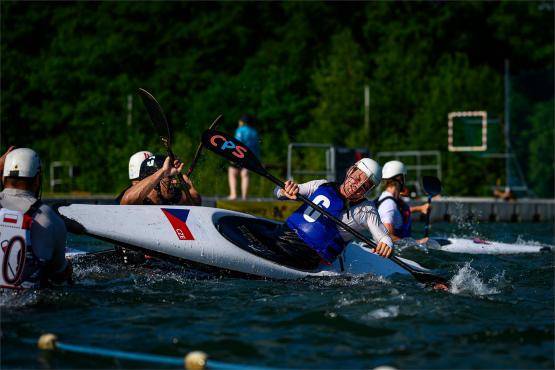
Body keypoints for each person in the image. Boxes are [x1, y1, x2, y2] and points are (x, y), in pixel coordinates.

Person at [273, 158, 393, 270]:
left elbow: (384, 238)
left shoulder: (366, 210)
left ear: (369, 190)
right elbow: (277, 192)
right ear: (351, 171)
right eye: (357, 179)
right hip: (282, 235)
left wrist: (386, 245)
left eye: (364, 186)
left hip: (307, 256)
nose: (356, 187)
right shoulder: (321, 185)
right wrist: (284, 190)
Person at [0, 147, 72, 288]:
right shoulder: (51, 220)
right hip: (29, 306)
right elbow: (58, 276)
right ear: (37, 179)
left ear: (3, 177)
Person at [375, 160, 430, 244]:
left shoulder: (388, 198)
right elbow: (387, 236)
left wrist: (420, 208)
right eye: (404, 177)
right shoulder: (389, 204)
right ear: (400, 179)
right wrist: (418, 242)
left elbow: (398, 214)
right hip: (397, 255)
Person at [120, 154, 201, 206]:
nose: (175, 182)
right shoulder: (140, 201)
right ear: (156, 182)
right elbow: (126, 201)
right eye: (170, 178)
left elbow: (196, 202)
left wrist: (189, 187)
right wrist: (163, 171)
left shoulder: (169, 195)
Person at [228, 114, 260, 200]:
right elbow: (257, 147)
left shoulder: (240, 130)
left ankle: (233, 194)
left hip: (239, 154)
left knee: (232, 172)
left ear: (242, 121)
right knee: (245, 174)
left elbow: (237, 143)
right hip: (251, 156)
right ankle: (244, 196)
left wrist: (232, 156)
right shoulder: (254, 132)